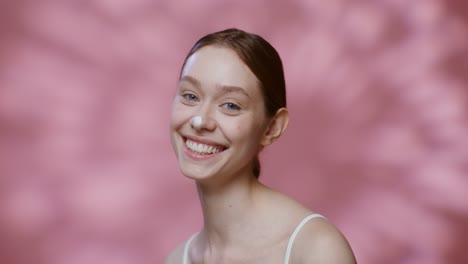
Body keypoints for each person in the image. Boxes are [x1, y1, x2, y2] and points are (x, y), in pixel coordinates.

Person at [166, 28, 356, 264]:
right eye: (191, 96)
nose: (200, 120)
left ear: (272, 127)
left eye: (231, 105)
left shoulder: (314, 249)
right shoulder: (177, 259)